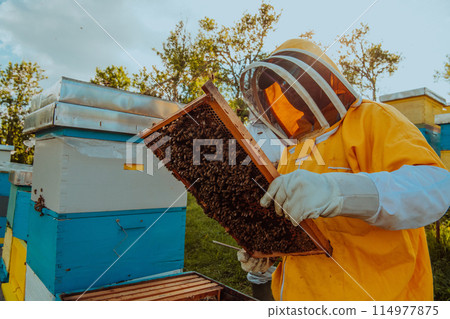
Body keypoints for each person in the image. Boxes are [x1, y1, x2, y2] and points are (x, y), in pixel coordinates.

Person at [236, 39, 450, 301]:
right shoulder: (294, 149)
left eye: (294, 81)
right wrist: (269, 251)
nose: (288, 92)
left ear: (324, 75)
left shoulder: (374, 119)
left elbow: (436, 188)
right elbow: (300, 228)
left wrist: (336, 192)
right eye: (279, 88)